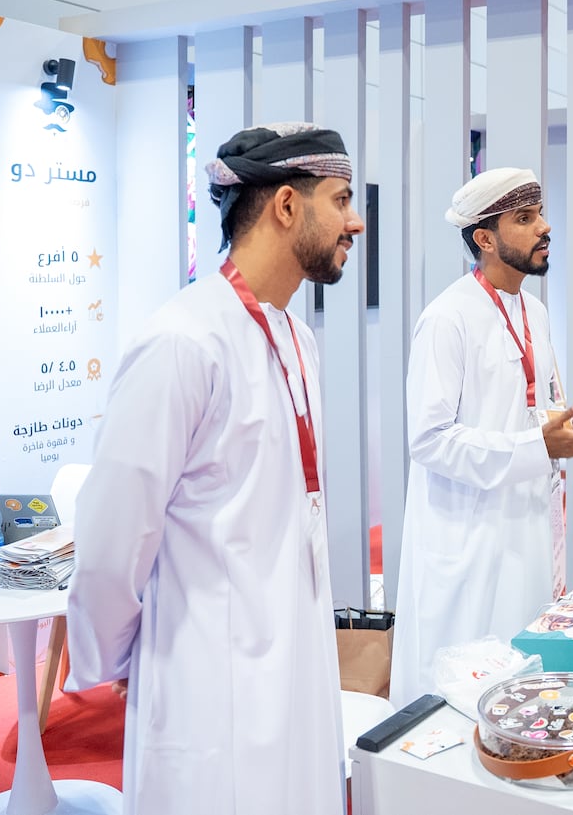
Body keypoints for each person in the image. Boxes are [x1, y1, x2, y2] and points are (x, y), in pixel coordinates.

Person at [66, 122, 364, 815]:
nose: (355, 222)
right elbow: (114, 533)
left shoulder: (298, 337)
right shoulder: (183, 340)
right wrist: (122, 653)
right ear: (286, 206)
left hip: (296, 656)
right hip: (207, 670)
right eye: (341, 199)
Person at [390, 166, 573, 704]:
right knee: (460, 695)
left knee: (523, 682)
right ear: (485, 239)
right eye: (525, 218)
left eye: (540, 214)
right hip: (468, 535)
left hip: (526, 524)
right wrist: (537, 447)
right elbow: (428, 439)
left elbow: (536, 407)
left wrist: (566, 428)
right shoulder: (447, 319)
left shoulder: (533, 310)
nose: (544, 227)